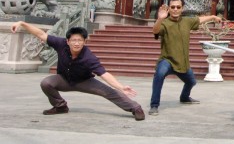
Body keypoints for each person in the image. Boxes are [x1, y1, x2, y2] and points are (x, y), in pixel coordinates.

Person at [10, 22, 145, 121]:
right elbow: (41, 34)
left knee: (108, 91)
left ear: (84, 42)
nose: (76, 43)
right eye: (74, 40)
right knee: (46, 83)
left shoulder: (88, 57)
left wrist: (121, 87)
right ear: (68, 41)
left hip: (85, 81)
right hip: (64, 79)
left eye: (80, 40)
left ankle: (135, 108)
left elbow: (104, 74)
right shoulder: (60, 44)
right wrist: (22, 23)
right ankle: (60, 106)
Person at [150, 0, 222, 116]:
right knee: (159, 74)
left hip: (182, 62)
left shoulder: (186, 21)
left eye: (178, 7)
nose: (175, 9)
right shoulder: (165, 23)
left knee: (191, 82)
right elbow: (155, 31)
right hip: (167, 60)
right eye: (172, 7)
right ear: (169, 9)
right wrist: (160, 19)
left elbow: (199, 19)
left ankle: (184, 97)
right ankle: (154, 105)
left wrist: (213, 16)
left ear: (182, 8)